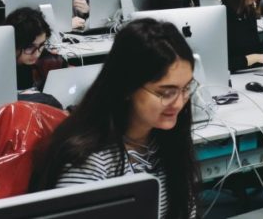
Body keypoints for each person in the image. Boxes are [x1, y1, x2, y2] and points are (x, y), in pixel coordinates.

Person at [30, 19, 199, 219]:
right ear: (127, 87)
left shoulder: (166, 140)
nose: (179, 103)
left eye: (186, 88)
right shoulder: (89, 163)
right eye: (166, 92)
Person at [6, 7, 67, 92]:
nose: (37, 54)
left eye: (41, 45)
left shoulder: (48, 62)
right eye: (30, 47)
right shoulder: (2, 71)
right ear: (14, 43)